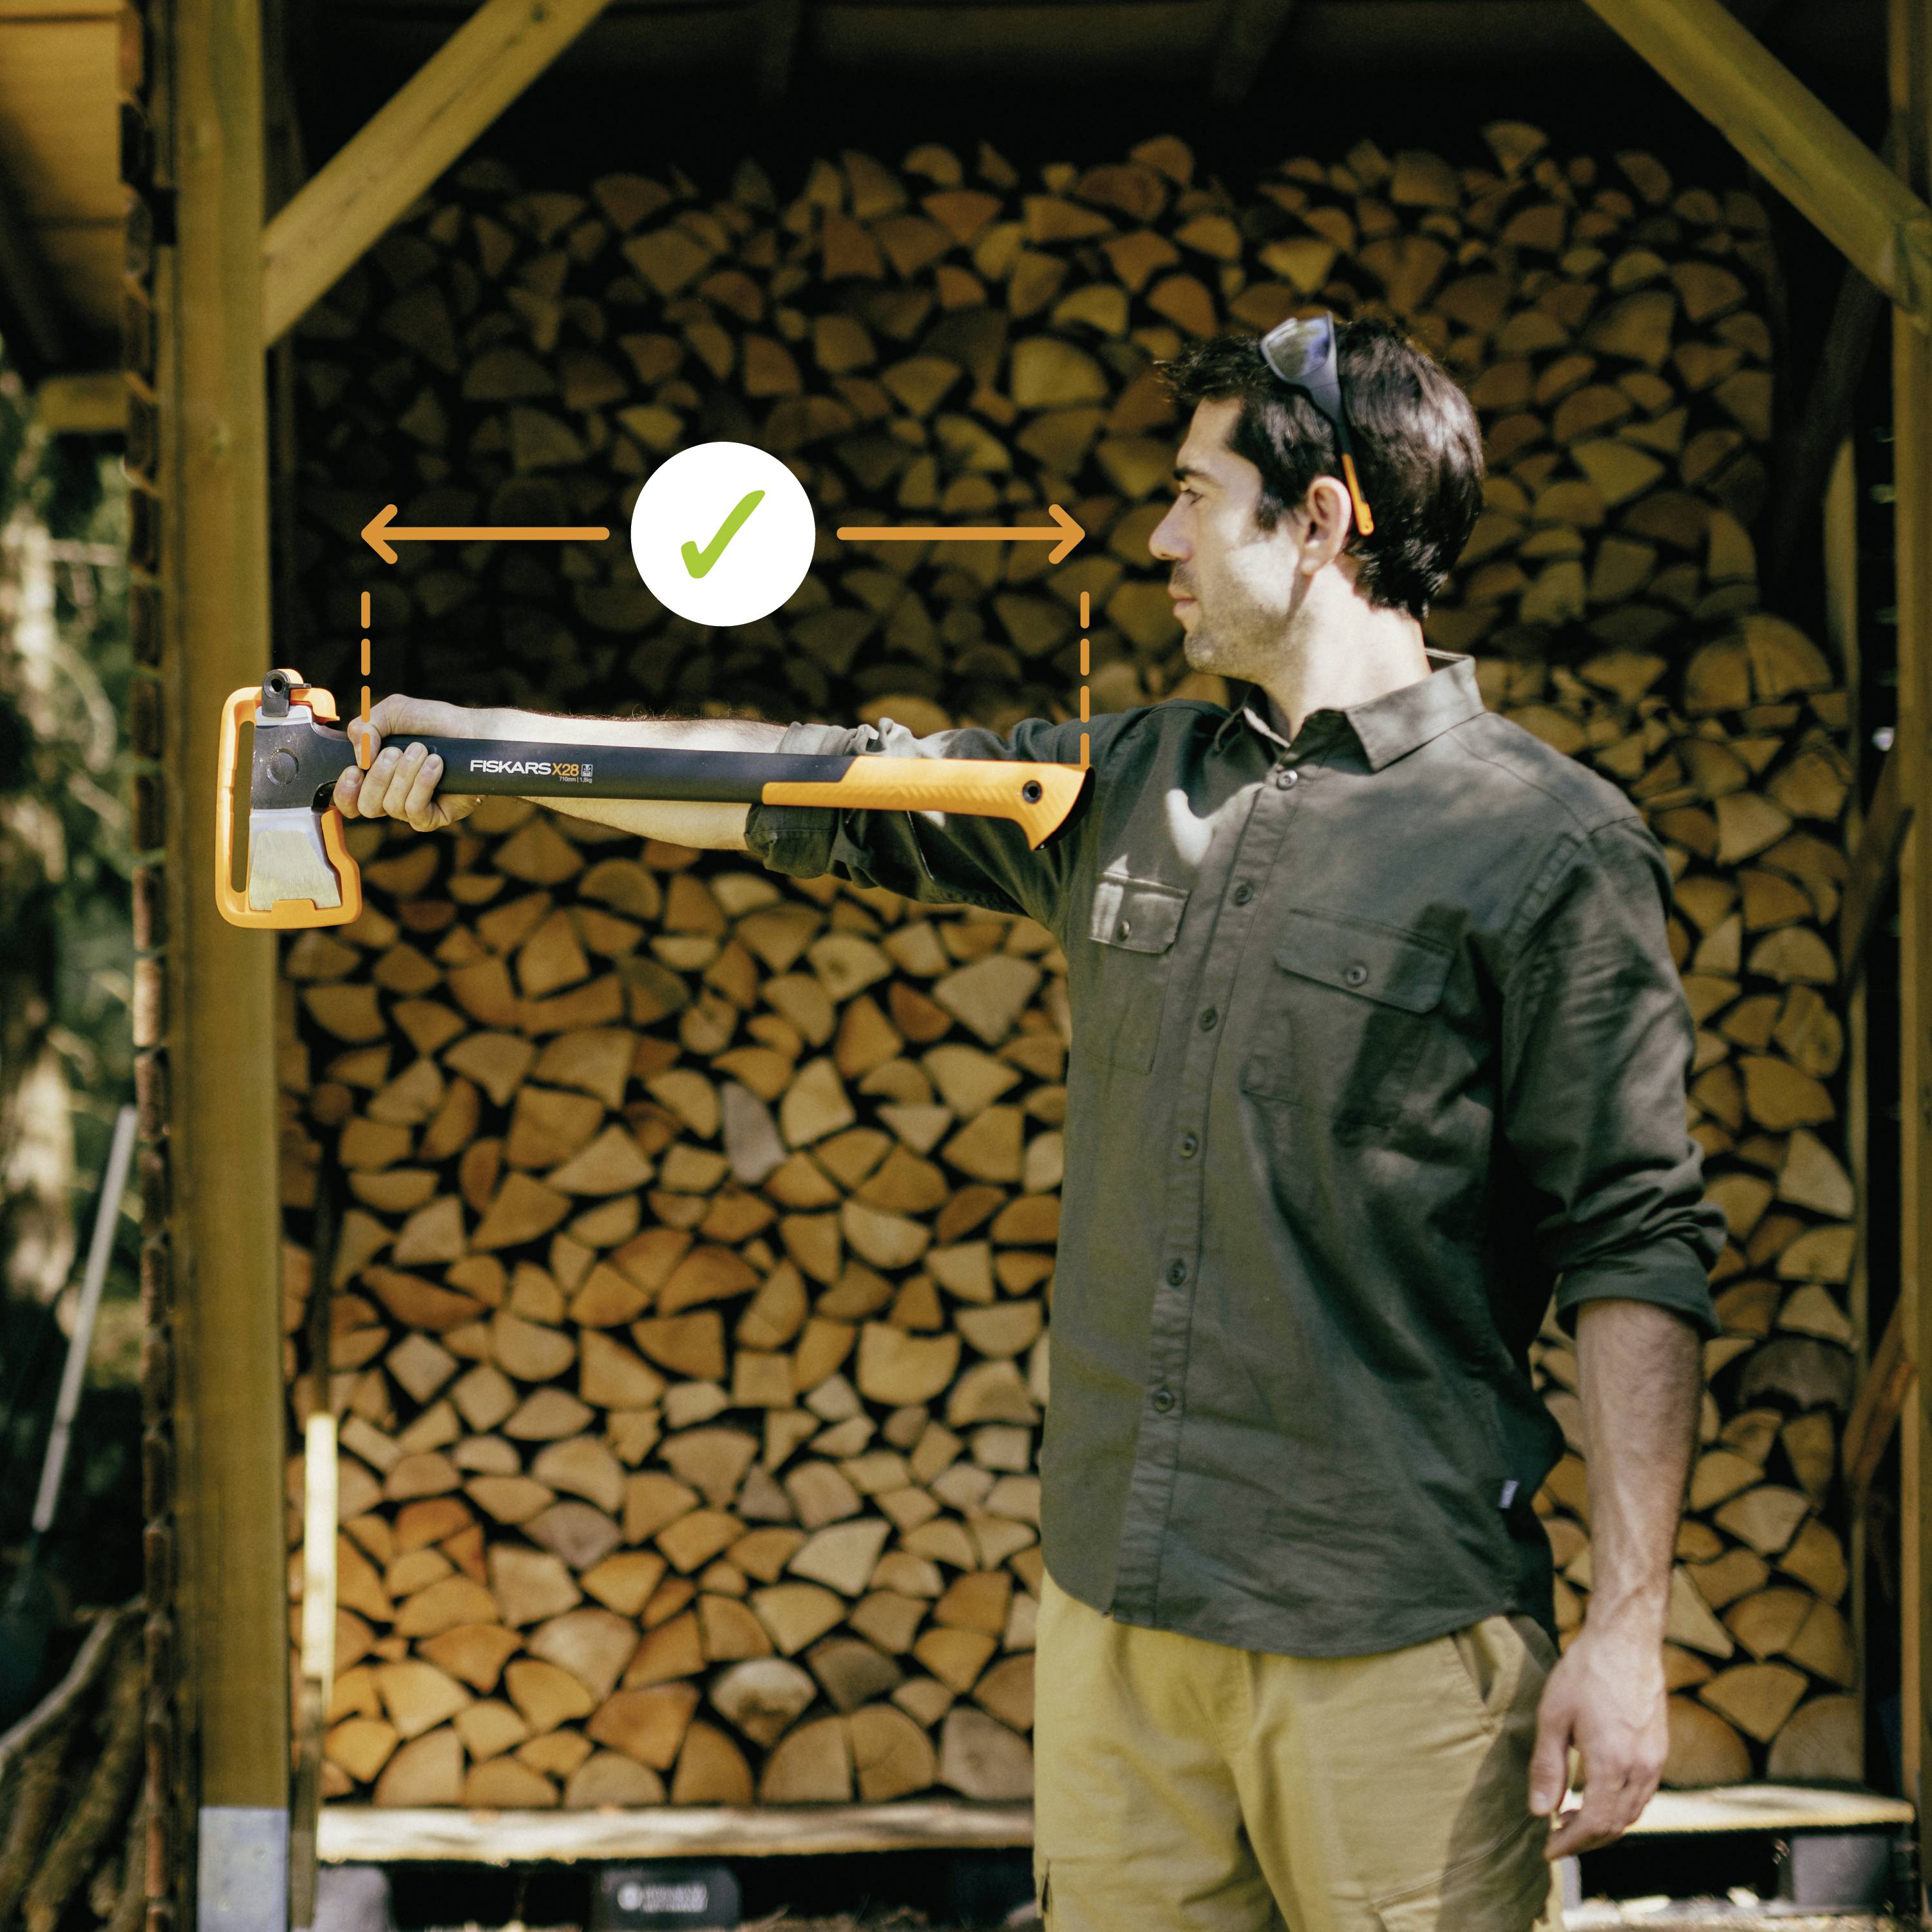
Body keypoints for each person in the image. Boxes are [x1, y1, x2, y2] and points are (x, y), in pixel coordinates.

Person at [336, 314, 1726, 1932]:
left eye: (1194, 495)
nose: (1156, 538)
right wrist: (484, 754)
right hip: (1121, 1621)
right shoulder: (1132, 784)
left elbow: (1637, 1237)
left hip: (1394, 1638)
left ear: (1325, 519)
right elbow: (813, 791)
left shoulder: (1545, 846)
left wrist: (1629, 1631)